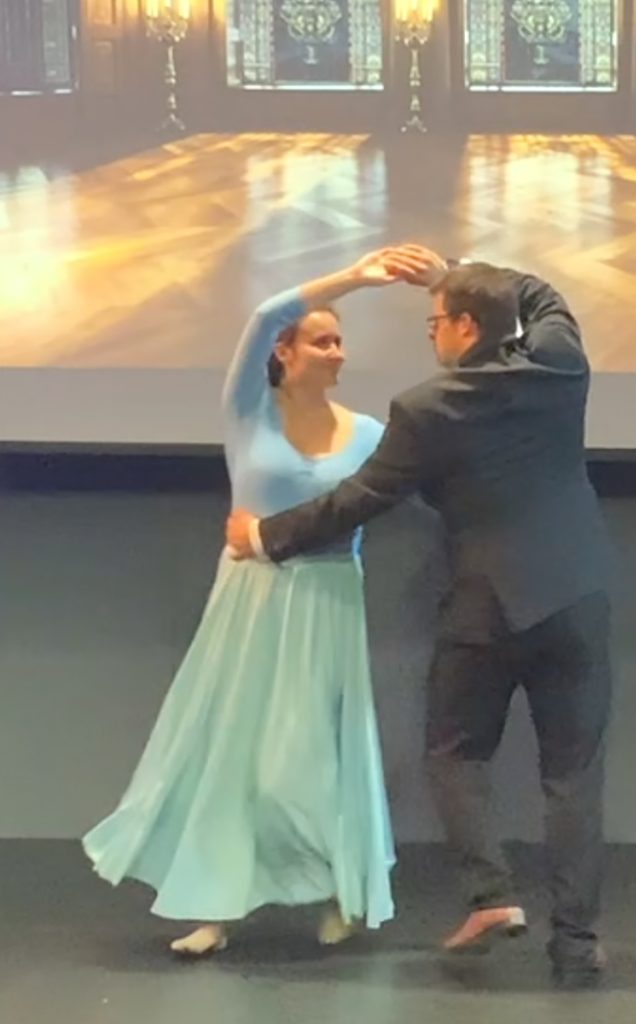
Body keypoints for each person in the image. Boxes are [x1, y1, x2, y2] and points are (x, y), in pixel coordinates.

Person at [227, 244, 613, 988]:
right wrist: (460, 274)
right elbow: (544, 297)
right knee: (573, 774)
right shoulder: (562, 364)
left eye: (436, 321)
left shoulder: (427, 408)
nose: (431, 336)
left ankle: (491, 896)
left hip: (486, 606)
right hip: (577, 597)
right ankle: (575, 945)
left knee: (455, 752)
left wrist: (263, 536)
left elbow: (361, 499)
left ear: (465, 329)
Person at [83, 252, 400, 955]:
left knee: (315, 757)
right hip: (251, 603)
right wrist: (354, 277)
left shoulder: (373, 436)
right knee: (231, 754)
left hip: (328, 601)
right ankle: (215, 908)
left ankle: (340, 893)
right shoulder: (247, 413)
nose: (336, 351)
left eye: (341, 341)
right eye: (322, 338)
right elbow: (262, 313)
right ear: (284, 353)